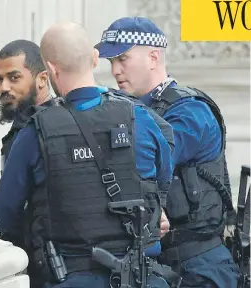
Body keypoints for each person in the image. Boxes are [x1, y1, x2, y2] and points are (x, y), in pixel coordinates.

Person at [0, 21, 179, 288]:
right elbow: (162, 180)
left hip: (71, 276)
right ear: (94, 58)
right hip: (141, 278)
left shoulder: (36, 133)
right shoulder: (141, 118)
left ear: (51, 69)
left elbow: (5, 213)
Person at [95, 16, 240, 288]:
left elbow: (148, 159)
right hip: (158, 264)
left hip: (199, 265)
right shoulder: (129, 111)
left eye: (122, 59)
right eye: (111, 62)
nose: (115, 71)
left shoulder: (190, 111)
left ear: (152, 57)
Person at [0, 40, 59, 172]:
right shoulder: (24, 126)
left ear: (42, 79)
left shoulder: (45, 130)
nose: (3, 88)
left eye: (14, 77)